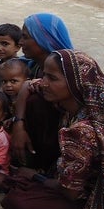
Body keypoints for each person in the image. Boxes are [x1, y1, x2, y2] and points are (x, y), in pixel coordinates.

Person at [1, 50, 104, 209]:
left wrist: (35, 176)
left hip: (92, 199)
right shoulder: (79, 104)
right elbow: (27, 86)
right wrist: (19, 124)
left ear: (75, 83)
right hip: (74, 177)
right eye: (44, 75)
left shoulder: (82, 131)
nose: (43, 82)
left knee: (18, 202)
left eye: (52, 78)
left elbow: (71, 193)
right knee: (36, 103)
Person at [10, 13, 74, 172]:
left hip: (62, 143)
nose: (20, 42)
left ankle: (41, 165)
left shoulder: (68, 72)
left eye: (25, 37)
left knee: (36, 102)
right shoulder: (32, 66)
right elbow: (26, 84)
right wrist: (18, 124)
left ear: (43, 39)